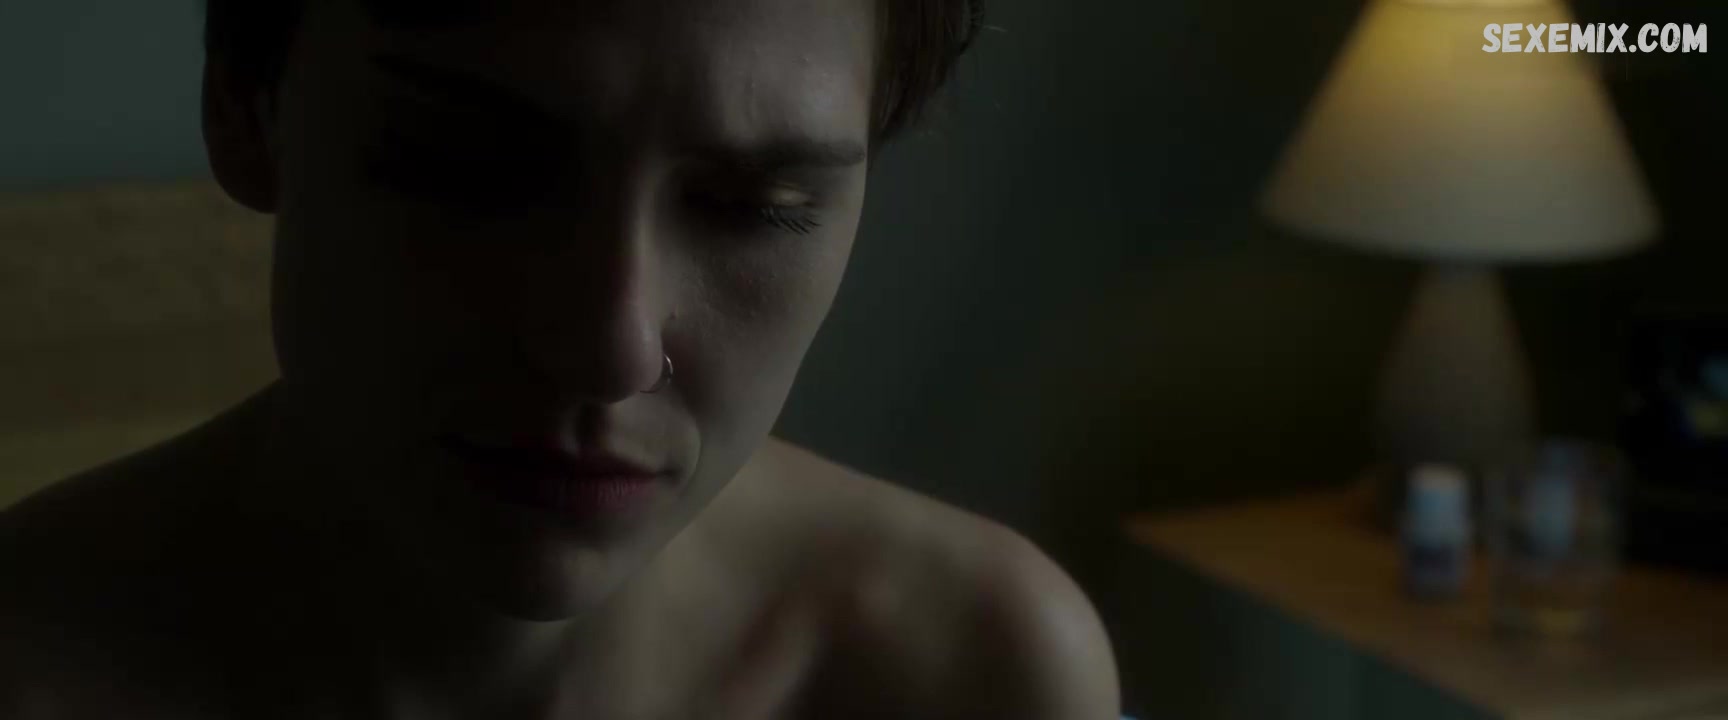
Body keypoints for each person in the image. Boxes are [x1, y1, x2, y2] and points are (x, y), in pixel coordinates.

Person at [0, 0, 1119, 716]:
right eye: (471, 165)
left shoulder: (967, 668)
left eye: (754, 206)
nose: (608, 347)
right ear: (247, 110)